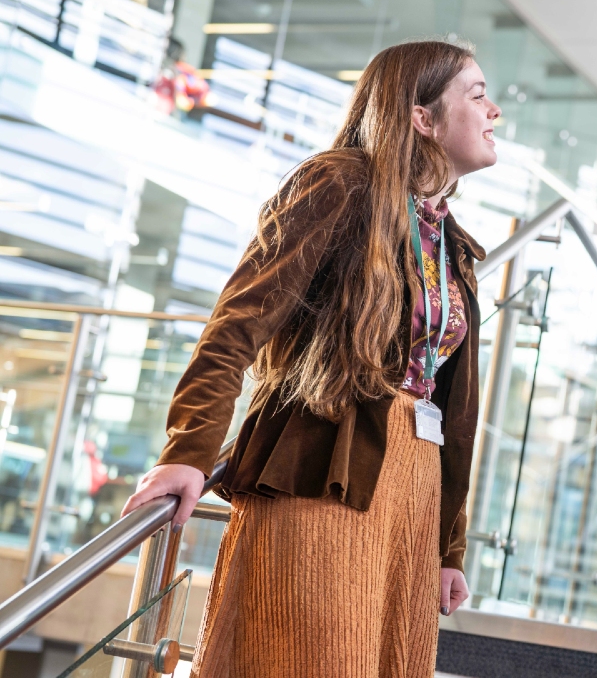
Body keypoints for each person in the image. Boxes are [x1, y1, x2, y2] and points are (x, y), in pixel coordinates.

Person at [120, 40, 500, 677]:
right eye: (478, 94)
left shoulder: (450, 241)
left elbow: (456, 411)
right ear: (421, 117)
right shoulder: (340, 183)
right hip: (325, 467)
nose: (494, 113)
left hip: (411, 493)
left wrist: (447, 545)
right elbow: (235, 328)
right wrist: (188, 453)